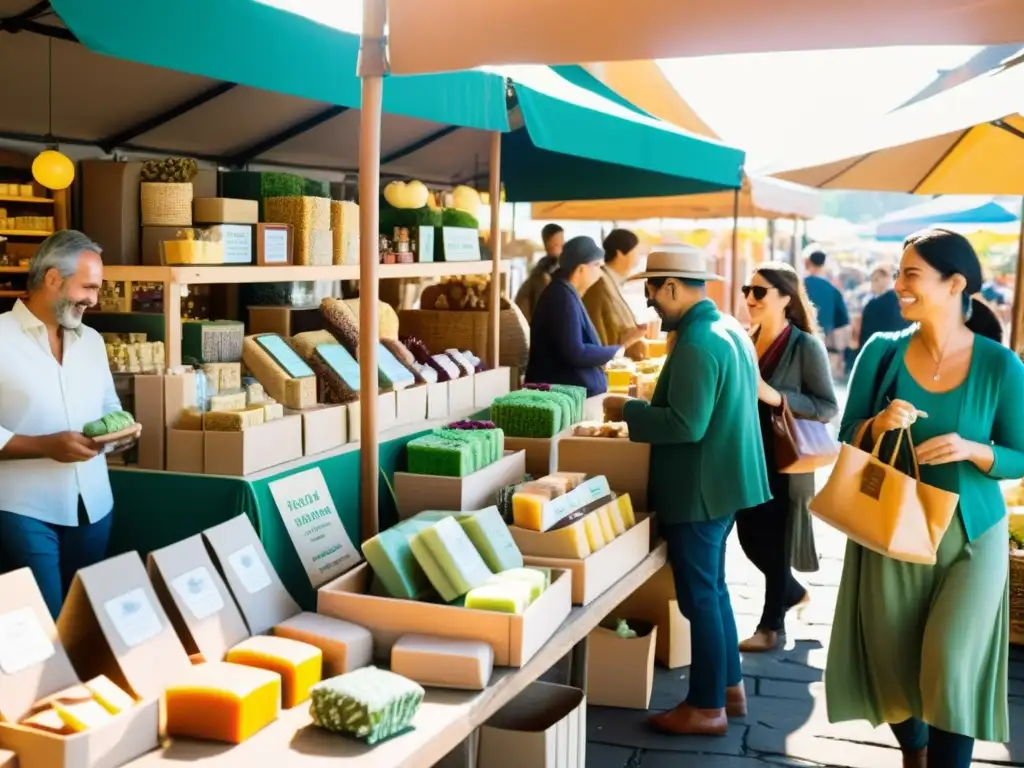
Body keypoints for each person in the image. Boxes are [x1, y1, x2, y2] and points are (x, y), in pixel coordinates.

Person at [826, 228, 1024, 768]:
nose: (898, 285)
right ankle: (913, 749)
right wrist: (877, 424)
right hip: (889, 530)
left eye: (910, 273)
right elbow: (845, 436)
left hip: (972, 536)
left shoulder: (999, 365)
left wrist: (975, 450)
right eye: (897, 273)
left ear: (955, 283)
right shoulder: (881, 353)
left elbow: (1021, 454)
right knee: (891, 667)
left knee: (952, 667)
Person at [604, 246, 771, 736]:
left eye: (651, 290)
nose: (650, 302)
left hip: (699, 487)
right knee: (713, 590)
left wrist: (626, 411)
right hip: (723, 480)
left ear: (671, 287)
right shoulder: (727, 329)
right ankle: (728, 689)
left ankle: (705, 708)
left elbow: (685, 424)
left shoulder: (698, 341)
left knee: (700, 595)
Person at [0, 230, 128, 619]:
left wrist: (118, 433)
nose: (94, 299)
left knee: (81, 626)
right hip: (22, 510)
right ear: (53, 278)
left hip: (94, 508)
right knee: (47, 629)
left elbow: (109, 404)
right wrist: (44, 446)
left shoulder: (91, 341)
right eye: (88, 287)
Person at [735, 263, 838, 653]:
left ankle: (770, 627)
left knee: (773, 541)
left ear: (785, 297)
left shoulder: (805, 346)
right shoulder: (747, 339)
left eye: (759, 292)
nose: (749, 298)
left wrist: (775, 396)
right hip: (747, 453)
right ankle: (792, 591)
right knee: (748, 536)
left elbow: (827, 406)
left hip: (784, 458)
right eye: (748, 289)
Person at [524, 236, 646, 397]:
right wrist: (616, 351)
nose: (600, 272)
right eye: (596, 265)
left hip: (568, 393)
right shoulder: (561, 296)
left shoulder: (565, 292)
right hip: (563, 396)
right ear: (580, 269)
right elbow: (575, 352)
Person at [582, 228, 646, 359]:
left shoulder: (609, 280)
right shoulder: (599, 283)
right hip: (609, 365)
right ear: (620, 253)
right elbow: (597, 329)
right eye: (636, 252)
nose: (638, 258)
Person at [803, 250, 851, 377]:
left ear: (808, 262)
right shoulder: (832, 289)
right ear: (823, 265)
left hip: (798, 332)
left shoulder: (799, 285)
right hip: (823, 335)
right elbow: (843, 318)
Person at [515, 223, 564, 322]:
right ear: (548, 244)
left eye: (562, 242)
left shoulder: (561, 266)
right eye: (557, 243)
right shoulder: (540, 274)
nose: (561, 246)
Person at [859, 262, 911, 347]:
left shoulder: (873, 305)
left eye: (875, 280)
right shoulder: (909, 302)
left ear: (884, 278)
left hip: (878, 353)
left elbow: (865, 338)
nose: (872, 285)